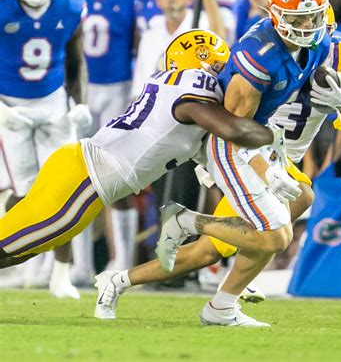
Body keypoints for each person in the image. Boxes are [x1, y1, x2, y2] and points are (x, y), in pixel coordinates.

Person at [93, 7, 341, 323]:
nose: (312, 34)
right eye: (301, 24)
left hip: (279, 158)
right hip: (248, 154)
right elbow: (237, 125)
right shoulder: (272, 55)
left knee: (293, 204)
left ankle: (225, 290)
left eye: (319, 26)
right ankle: (181, 254)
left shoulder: (336, 55)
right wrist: (256, 169)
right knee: (219, 248)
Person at [0, 29, 287, 275]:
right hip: (84, 179)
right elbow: (236, 131)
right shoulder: (196, 87)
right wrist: (274, 132)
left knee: (24, 248)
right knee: (14, 243)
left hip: (83, 173)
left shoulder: (176, 87)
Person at [0, 0, 90, 298]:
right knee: (20, 192)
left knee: (62, 191)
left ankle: (61, 274)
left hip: (53, 102)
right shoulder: (3, 9)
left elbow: (75, 59)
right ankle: (8, 260)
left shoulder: (70, 6)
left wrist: (78, 101)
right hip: (10, 105)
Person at [74, 0, 145, 278]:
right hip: (84, 92)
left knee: (116, 176)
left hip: (119, 90)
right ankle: (82, 263)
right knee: (78, 179)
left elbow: (141, 42)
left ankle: (124, 260)